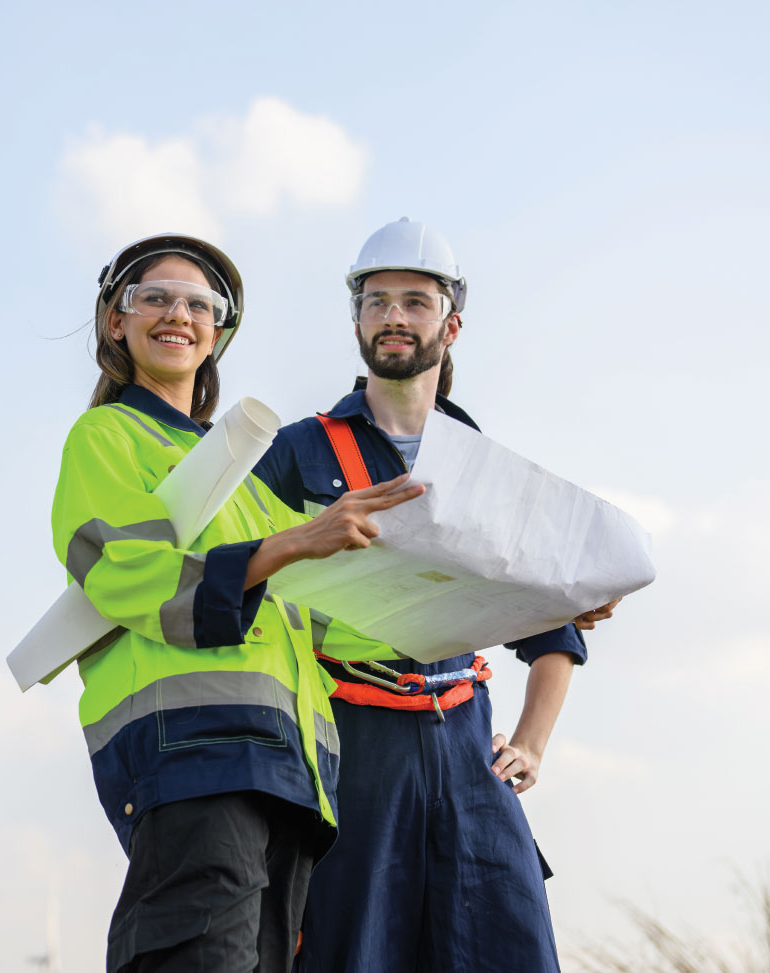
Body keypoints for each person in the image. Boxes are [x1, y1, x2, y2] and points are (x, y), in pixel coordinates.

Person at [51, 233, 425, 972]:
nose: (178, 313)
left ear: (218, 332)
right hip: (195, 754)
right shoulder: (108, 437)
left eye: (200, 304)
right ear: (114, 322)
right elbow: (129, 572)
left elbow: (344, 623)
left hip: (289, 778)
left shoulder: (250, 490)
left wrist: (525, 609)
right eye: (152, 297)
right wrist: (290, 544)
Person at [252, 218, 619, 971]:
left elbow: (552, 622)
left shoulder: (478, 458)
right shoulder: (296, 452)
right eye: (378, 299)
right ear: (355, 318)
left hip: (466, 745)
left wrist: (532, 742)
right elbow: (241, 578)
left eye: (415, 302)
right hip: (353, 747)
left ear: (450, 324)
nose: (394, 316)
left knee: (506, 947)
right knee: (350, 950)